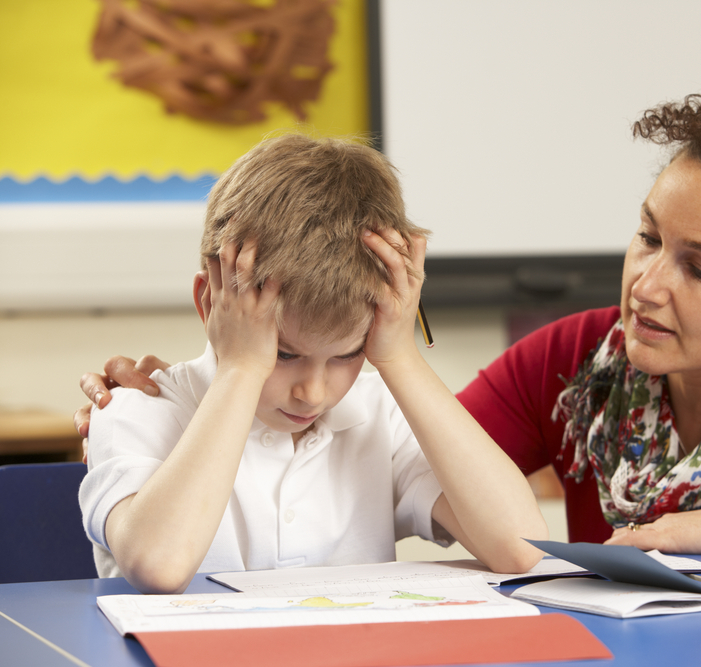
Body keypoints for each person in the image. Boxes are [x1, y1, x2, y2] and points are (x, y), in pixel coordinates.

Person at [78, 93, 701, 573]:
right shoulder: (577, 360)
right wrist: (232, 375)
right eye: (647, 237)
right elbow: (443, 457)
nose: (647, 282)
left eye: (700, 267)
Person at [78, 133, 547, 594]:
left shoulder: (381, 416)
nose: (313, 392)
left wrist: (400, 356)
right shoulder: (134, 409)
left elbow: (525, 550)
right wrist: (242, 370)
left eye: (347, 354)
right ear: (211, 303)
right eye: (284, 354)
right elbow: (160, 567)